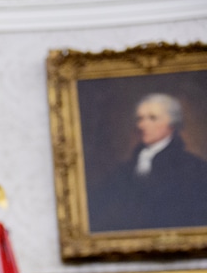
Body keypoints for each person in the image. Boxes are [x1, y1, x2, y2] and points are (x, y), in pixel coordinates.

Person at [89, 93, 207, 233]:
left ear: (172, 124)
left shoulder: (194, 167)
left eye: (152, 118)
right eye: (140, 118)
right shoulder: (125, 169)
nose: (141, 125)